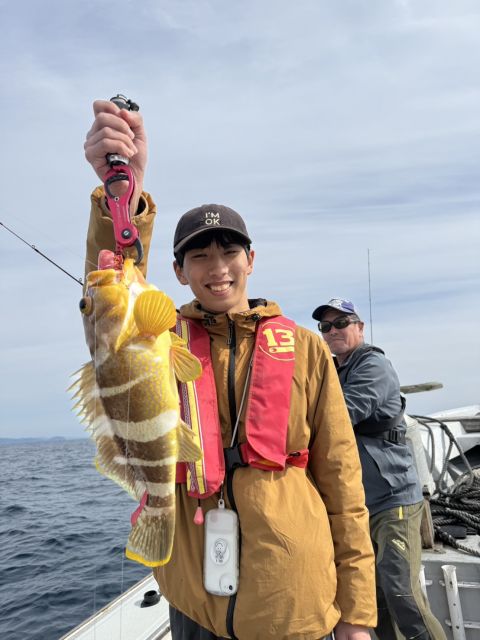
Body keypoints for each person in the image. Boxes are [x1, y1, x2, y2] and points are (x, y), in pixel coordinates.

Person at [83, 99, 377, 640]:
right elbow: (107, 292)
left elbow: (343, 483)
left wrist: (357, 613)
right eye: (199, 256)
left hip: (292, 599)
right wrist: (123, 193)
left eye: (229, 252)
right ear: (178, 271)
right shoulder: (160, 337)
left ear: (251, 260)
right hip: (194, 599)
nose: (217, 268)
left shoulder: (306, 349)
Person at [312, 298, 447, 640]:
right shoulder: (332, 372)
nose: (332, 331)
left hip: (393, 498)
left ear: (359, 327)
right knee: (372, 599)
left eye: (341, 323)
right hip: (359, 504)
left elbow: (342, 413)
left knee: (401, 592)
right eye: (325, 327)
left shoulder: (373, 365)